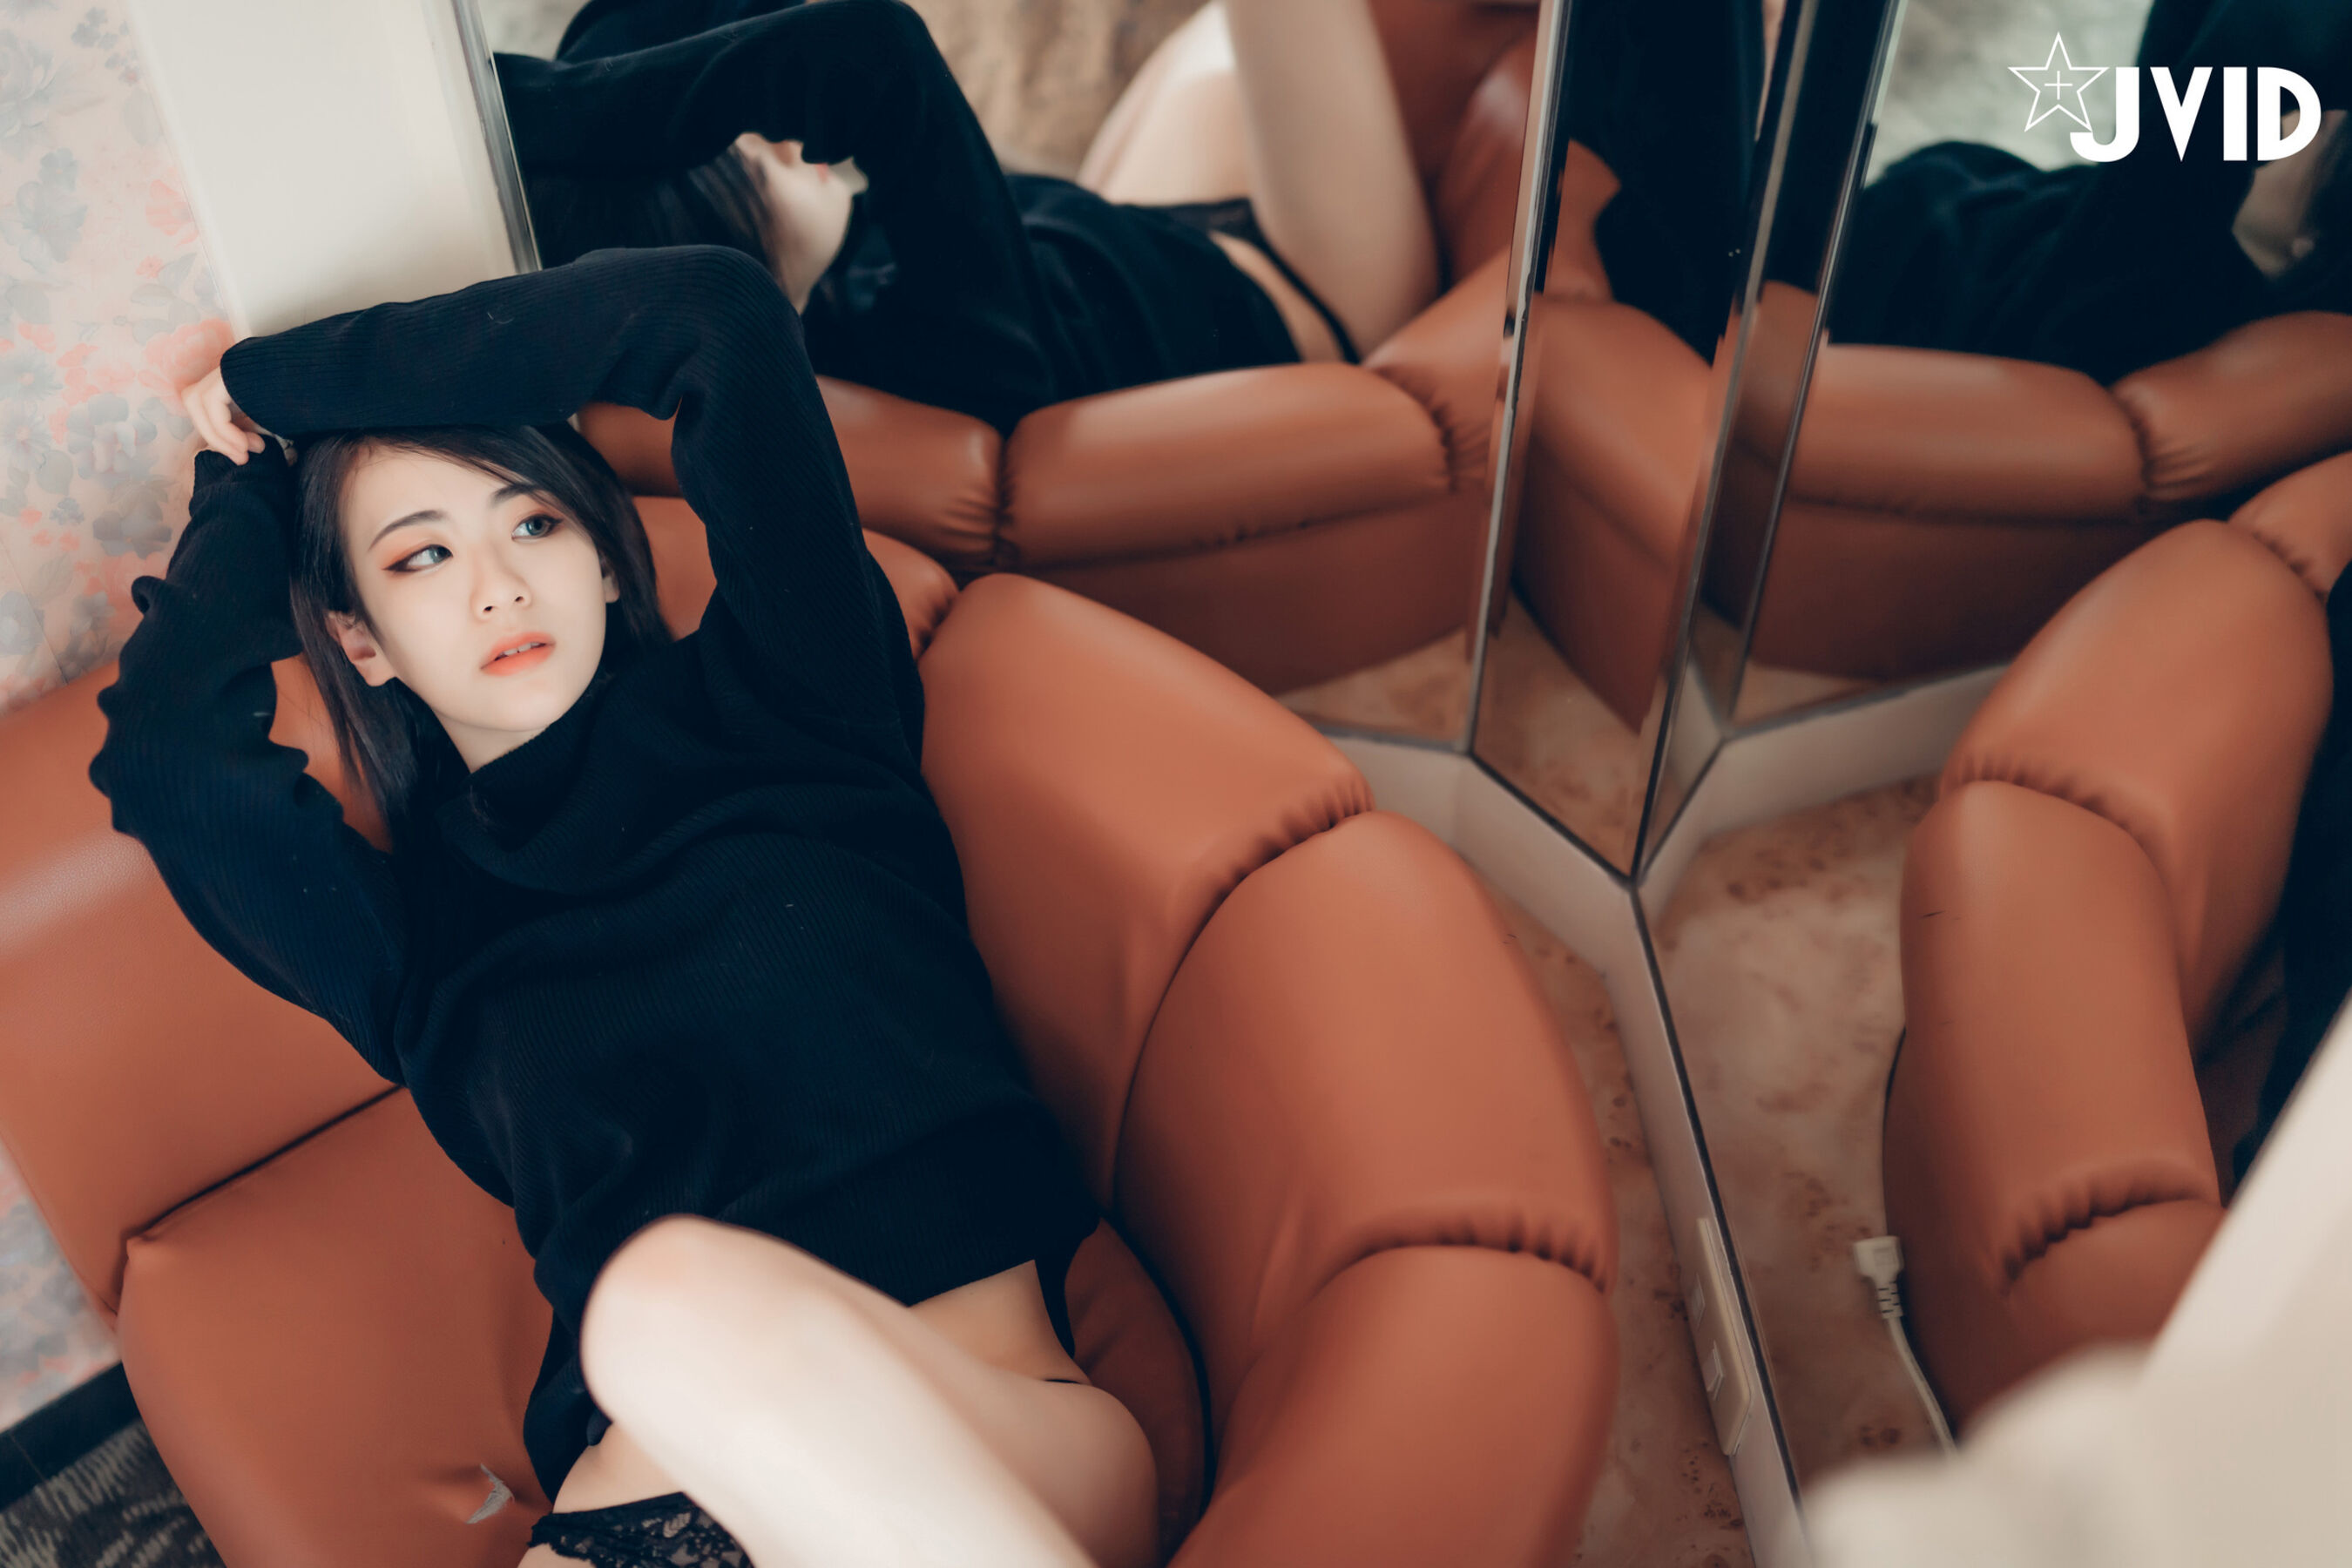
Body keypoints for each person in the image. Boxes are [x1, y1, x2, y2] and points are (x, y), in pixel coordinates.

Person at [98, 243, 1155, 1568]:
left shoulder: (800, 707)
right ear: (359, 641)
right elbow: (169, 759)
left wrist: (289, 386)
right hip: (647, 1513)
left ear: (607, 557)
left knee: (664, 1300)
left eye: (535, 524)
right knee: (652, 1318)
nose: (498, 584)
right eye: (421, 559)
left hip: (990, 1441)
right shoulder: (414, 940)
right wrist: (256, 484)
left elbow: (716, 319)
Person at [497, 0, 1443, 435]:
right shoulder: (934, 348)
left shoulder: (828, 290)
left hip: (1135, 230)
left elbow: (641, 28)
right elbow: (875, 48)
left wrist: (573, 110)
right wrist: (560, 109)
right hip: (1315, 291)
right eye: (745, 156)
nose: (779, 135)